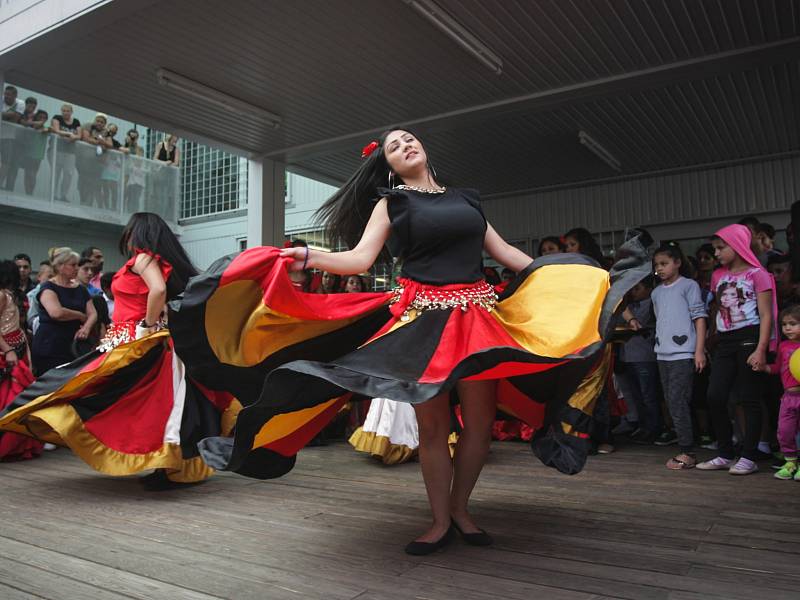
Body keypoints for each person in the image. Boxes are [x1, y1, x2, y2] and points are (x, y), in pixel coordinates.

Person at [169, 129, 650, 554]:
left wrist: (581, 280)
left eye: (409, 139)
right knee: (434, 427)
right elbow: (358, 261)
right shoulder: (392, 204)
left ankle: (461, 510)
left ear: (423, 149)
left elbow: (510, 256)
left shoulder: (467, 199)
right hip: (422, 324)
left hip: (479, 317)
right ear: (390, 166)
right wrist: (304, 253)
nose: (404, 145)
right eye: (394, 147)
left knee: (480, 425)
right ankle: (441, 520)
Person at [0, 213, 239, 488]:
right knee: (140, 404)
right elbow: (161, 294)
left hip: (137, 341)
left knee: (136, 403)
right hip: (130, 341)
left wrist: (147, 325)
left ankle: (170, 466)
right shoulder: (153, 260)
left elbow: (158, 291)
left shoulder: (143, 258)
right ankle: (170, 466)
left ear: (136, 233)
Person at [697, 224, 777, 475]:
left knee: (748, 397)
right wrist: (710, 339)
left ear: (738, 245)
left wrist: (761, 348)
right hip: (725, 340)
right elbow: (717, 309)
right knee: (715, 396)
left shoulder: (757, 274)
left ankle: (749, 456)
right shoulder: (718, 275)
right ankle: (724, 453)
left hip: (750, 338)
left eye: (721, 248)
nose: (717, 253)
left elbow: (766, 315)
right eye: (715, 249)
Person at [647, 243, 707, 469]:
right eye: (656, 265)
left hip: (683, 354)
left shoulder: (689, 286)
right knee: (672, 402)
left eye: (664, 263)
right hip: (662, 354)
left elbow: (699, 318)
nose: (660, 269)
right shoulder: (656, 292)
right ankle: (686, 445)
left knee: (678, 401)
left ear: (678, 262)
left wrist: (698, 350)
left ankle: (688, 451)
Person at [0, 260, 42, 461]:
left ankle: (15, 447)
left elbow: (22, 329)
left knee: (17, 398)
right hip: (7, 351)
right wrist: (8, 350)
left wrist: (27, 355)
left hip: (18, 348)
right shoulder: (1, 295)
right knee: (10, 398)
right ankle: (9, 447)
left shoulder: (12, 296)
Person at [31, 247, 95, 375]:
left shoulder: (80, 289)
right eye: (73, 265)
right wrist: (79, 315)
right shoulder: (48, 287)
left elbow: (92, 313)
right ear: (60, 266)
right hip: (50, 345)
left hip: (73, 345)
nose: (77, 268)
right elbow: (56, 313)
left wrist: (86, 328)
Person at [617, 277, 660, 444]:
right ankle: (642, 426)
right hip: (628, 356)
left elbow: (640, 324)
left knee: (648, 395)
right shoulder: (628, 306)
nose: (633, 292)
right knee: (636, 395)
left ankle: (653, 428)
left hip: (645, 356)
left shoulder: (650, 304)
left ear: (649, 289)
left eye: (637, 288)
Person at [761, 305, 800, 480]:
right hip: (788, 397)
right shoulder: (783, 346)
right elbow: (778, 368)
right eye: (784, 325)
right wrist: (765, 367)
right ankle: (790, 462)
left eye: (793, 324)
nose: (788, 328)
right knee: (784, 431)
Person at [50, 104, 82, 202]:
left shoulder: (76, 122)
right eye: (63, 110)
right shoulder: (57, 118)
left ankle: (63, 195)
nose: (65, 112)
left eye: (68, 111)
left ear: (71, 112)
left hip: (70, 152)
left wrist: (74, 137)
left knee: (68, 174)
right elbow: (56, 130)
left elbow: (79, 135)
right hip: (57, 150)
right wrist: (70, 134)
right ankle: (53, 194)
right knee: (56, 172)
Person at [0, 86, 25, 189]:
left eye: (9, 94)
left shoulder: (20, 103)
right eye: (5, 94)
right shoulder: (1, 99)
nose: (6, 96)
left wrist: (3, 115)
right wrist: (8, 115)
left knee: (6, 162)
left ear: (15, 95)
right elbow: (11, 116)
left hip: (8, 137)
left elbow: (15, 118)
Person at [26, 261, 53, 336]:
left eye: (55, 277)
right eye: (50, 276)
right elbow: (30, 321)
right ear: (39, 277)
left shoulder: (58, 293)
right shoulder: (31, 295)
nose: (53, 280)